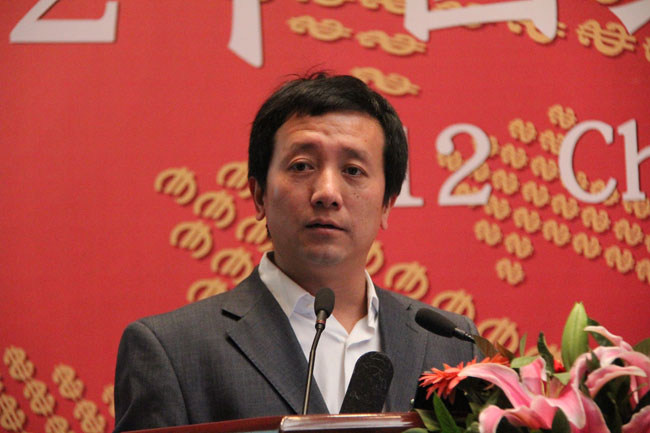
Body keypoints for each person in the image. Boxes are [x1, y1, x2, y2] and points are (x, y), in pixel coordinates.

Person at [113, 73, 480, 432]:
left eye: (353, 170)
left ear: (387, 203)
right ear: (259, 195)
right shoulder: (172, 350)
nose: (327, 192)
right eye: (302, 166)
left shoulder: (451, 345)